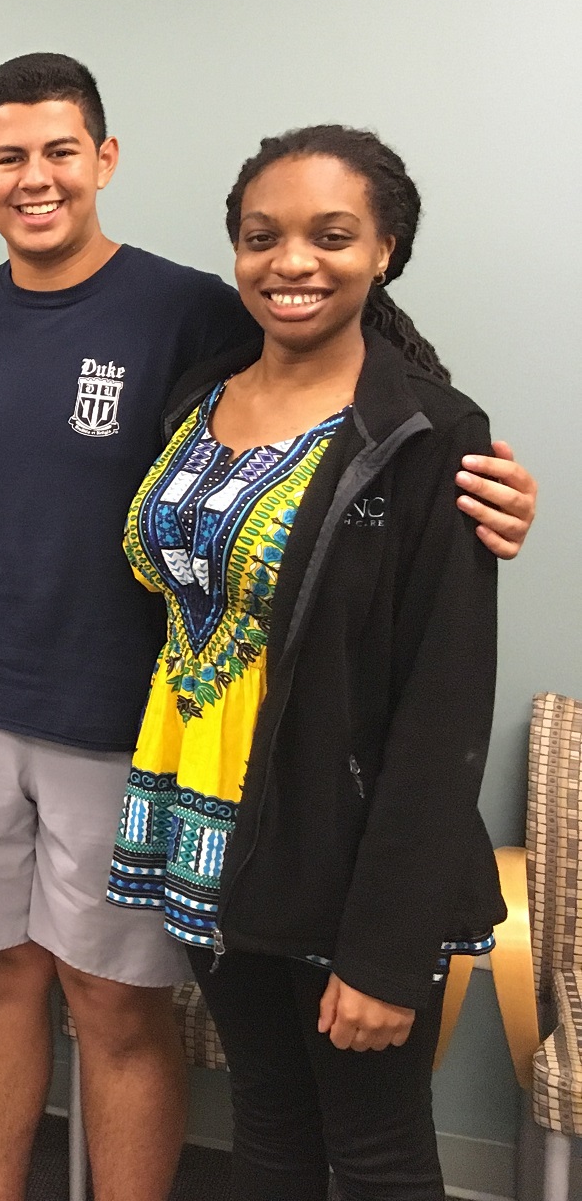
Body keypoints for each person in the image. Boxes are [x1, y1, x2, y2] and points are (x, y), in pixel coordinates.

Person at [0, 54, 539, 1201]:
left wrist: (483, 488)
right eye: (7, 156)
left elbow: (367, 474)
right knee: (9, 990)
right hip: (17, 726)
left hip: (132, 733)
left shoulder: (194, 311)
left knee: (122, 1008)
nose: (34, 177)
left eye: (58, 150)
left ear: (104, 158)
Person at [106, 124, 505, 1201]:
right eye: (260, 235)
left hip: (340, 855)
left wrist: (383, 949)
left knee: (373, 1154)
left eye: (330, 235)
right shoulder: (197, 395)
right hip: (204, 825)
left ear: (383, 250)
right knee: (268, 1121)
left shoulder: (425, 434)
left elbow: (442, 705)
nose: (291, 262)